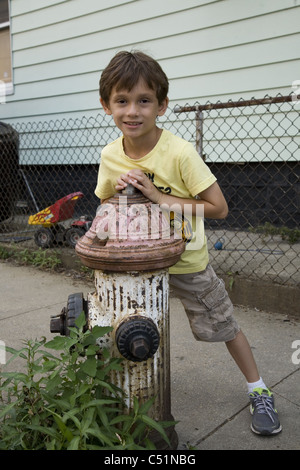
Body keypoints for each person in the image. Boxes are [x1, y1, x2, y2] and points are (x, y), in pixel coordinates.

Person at [94, 50, 281, 436]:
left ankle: (258, 389)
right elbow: (104, 201)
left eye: (144, 100)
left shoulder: (179, 152)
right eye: (122, 101)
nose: (133, 111)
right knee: (123, 332)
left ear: (162, 105)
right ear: (106, 105)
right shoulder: (110, 155)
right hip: (137, 265)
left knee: (224, 325)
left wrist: (161, 198)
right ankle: (125, 399)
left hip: (187, 263)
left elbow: (218, 208)